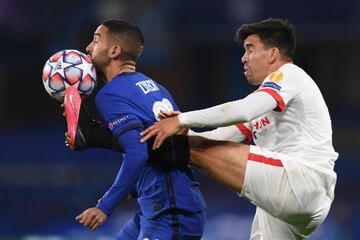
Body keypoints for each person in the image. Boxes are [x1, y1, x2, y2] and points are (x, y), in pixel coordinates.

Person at [140, 18, 338, 239]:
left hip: (301, 180)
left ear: (273, 54)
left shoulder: (289, 75)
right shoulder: (266, 100)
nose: (243, 58)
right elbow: (217, 139)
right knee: (192, 145)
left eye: (250, 49)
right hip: (293, 201)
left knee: (184, 148)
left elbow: (244, 110)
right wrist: (188, 131)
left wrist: (182, 121)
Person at [64, 19, 206, 240]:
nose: (88, 48)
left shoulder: (111, 94)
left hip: (170, 213)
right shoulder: (156, 87)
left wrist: (104, 207)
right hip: (160, 207)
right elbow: (161, 150)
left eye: (95, 40)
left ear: (114, 51)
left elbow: (137, 153)